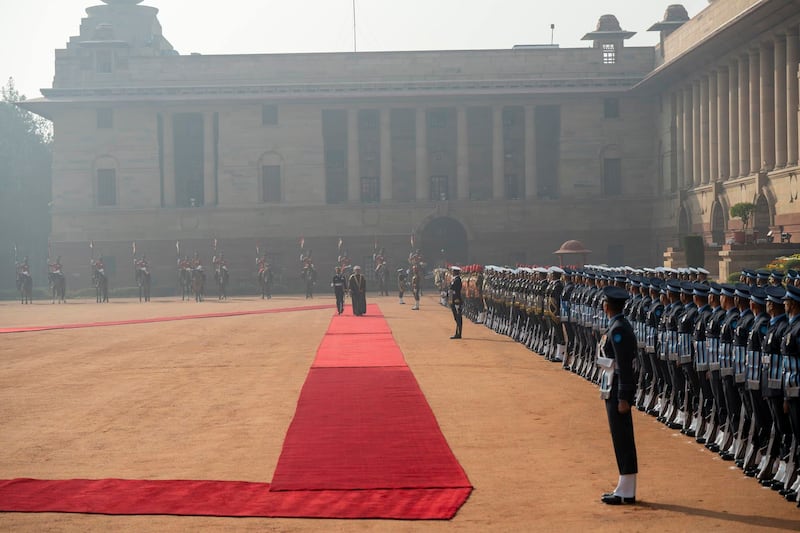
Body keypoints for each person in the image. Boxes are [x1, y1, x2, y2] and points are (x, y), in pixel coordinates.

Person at [597, 285, 638, 505]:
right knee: (619, 438)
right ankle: (624, 487)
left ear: (607, 306)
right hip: (611, 386)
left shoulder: (619, 328)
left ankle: (627, 490)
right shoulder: (616, 325)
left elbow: (624, 366)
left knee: (623, 439)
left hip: (617, 389)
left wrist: (623, 397)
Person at [449, 265, 463, 339]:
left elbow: (454, 289)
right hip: (454, 299)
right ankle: (457, 332)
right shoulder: (454, 279)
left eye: (453, 271)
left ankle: (458, 333)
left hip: (457, 300)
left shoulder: (457, 280)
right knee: (456, 317)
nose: (452, 272)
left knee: (458, 317)